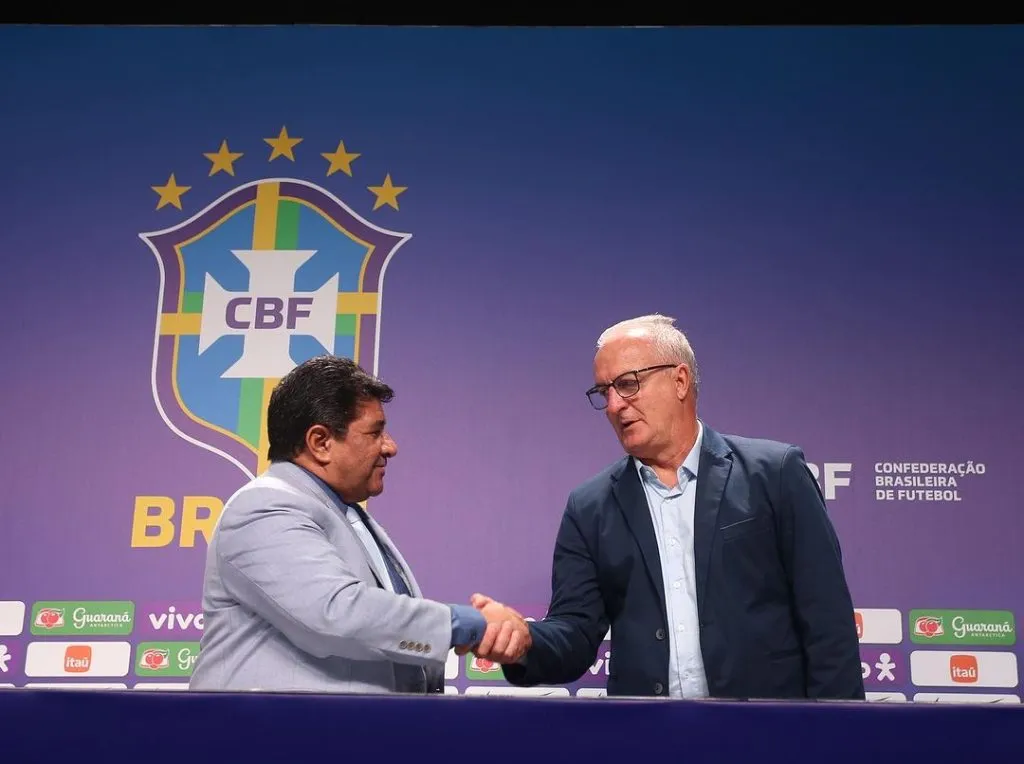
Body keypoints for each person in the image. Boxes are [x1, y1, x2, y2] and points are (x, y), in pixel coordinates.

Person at [472, 314, 864, 700]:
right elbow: (574, 633)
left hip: (766, 738)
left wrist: (834, 737)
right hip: (649, 741)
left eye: (627, 385)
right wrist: (523, 640)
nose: (613, 405)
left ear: (680, 380)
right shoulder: (589, 507)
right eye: (603, 392)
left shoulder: (775, 474)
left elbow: (828, 625)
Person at [189, 355, 529, 693]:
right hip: (277, 740)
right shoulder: (264, 507)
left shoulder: (345, 513)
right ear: (320, 443)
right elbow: (335, 613)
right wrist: (468, 625)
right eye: (375, 432)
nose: (390, 447)